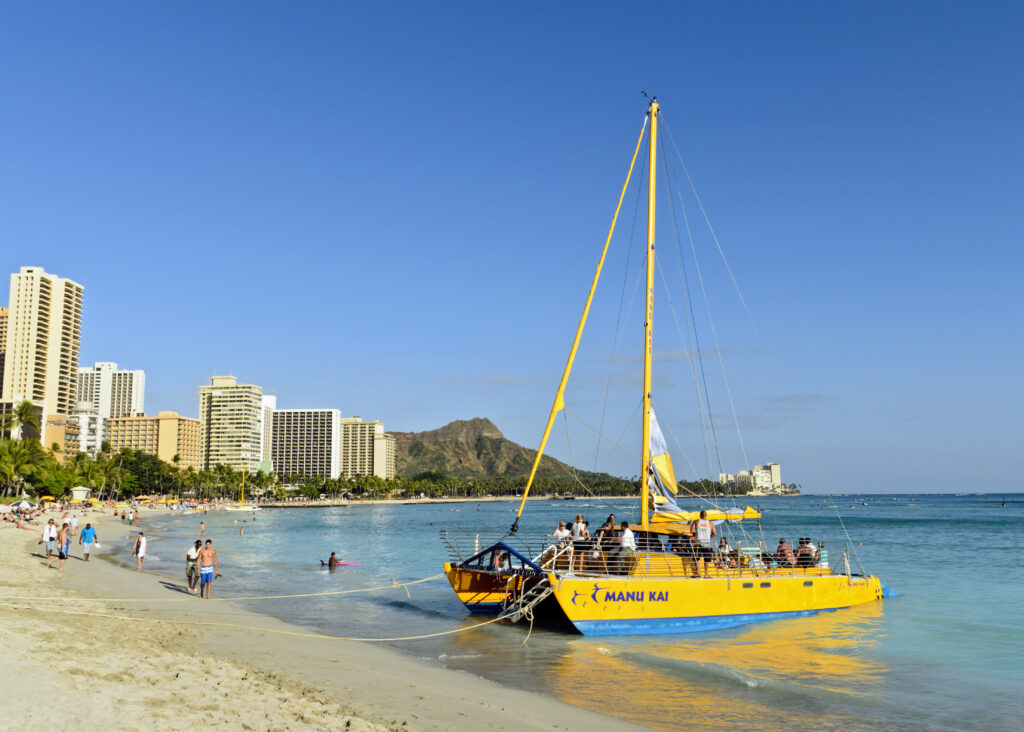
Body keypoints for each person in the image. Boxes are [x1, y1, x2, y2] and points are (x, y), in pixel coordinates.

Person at [691, 510, 716, 578]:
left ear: (700, 515)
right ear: (706, 516)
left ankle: (698, 572)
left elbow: (691, 530)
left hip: (698, 543)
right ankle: (706, 574)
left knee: (696, 558)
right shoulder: (710, 523)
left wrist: (694, 534)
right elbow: (714, 533)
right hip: (706, 543)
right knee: (707, 559)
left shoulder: (696, 521)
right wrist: (710, 537)